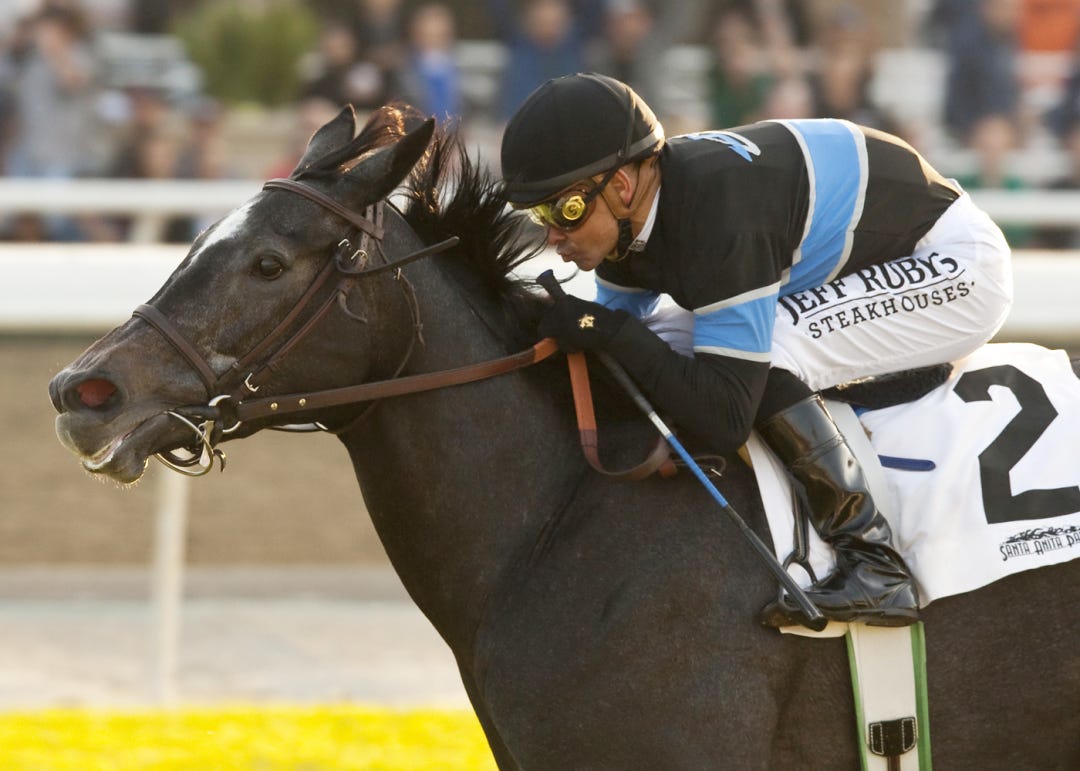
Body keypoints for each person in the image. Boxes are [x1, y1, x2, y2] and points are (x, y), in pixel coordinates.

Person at [499, 73, 1013, 628]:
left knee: (771, 349)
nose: (553, 236)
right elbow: (624, 340)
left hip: (955, 264)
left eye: (565, 211)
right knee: (666, 339)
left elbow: (725, 415)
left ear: (622, 186)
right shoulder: (635, 220)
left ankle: (874, 562)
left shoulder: (718, 218)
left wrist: (611, 332)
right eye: (539, 216)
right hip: (875, 248)